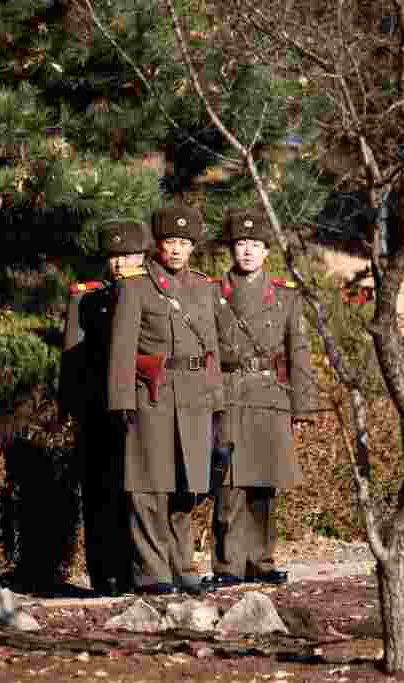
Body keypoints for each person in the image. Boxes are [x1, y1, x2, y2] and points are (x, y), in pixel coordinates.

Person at [107, 205, 226, 596]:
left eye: (184, 243)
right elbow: (122, 349)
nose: (176, 250)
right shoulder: (136, 286)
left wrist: (217, 401)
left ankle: (182, 565)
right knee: (148, 489)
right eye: (170, 242)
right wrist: (122, 401)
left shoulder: (203, 286)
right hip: (151, 397)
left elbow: (212, 350)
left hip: (194, 397)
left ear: (193, 247)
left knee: (185, 487)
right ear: (158, 244)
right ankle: (151, 571)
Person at [205, 208, 317, 588]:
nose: (248, 251)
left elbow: (298, 351)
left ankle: (262, 561)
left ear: (266, 252)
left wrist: (303, 404)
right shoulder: (212, 293)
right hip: (230, 392)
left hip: (270, 395)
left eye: (255, 245)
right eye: (241, 244)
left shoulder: (285, 297)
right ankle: (228, 565)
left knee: (265, 486)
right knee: (229, 485)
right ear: (232, 250)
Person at [61, 219, 152, 597]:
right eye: (114, 256)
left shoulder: (156, 294)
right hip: (97, 410)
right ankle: (104, 576)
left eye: (128, 255)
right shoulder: (88, 296)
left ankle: (140, 571)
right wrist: (69, 408)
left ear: (143, 256)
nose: (120, 263)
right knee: (100, 493)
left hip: (143, 408)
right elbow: (72, 360)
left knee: (141, 492)